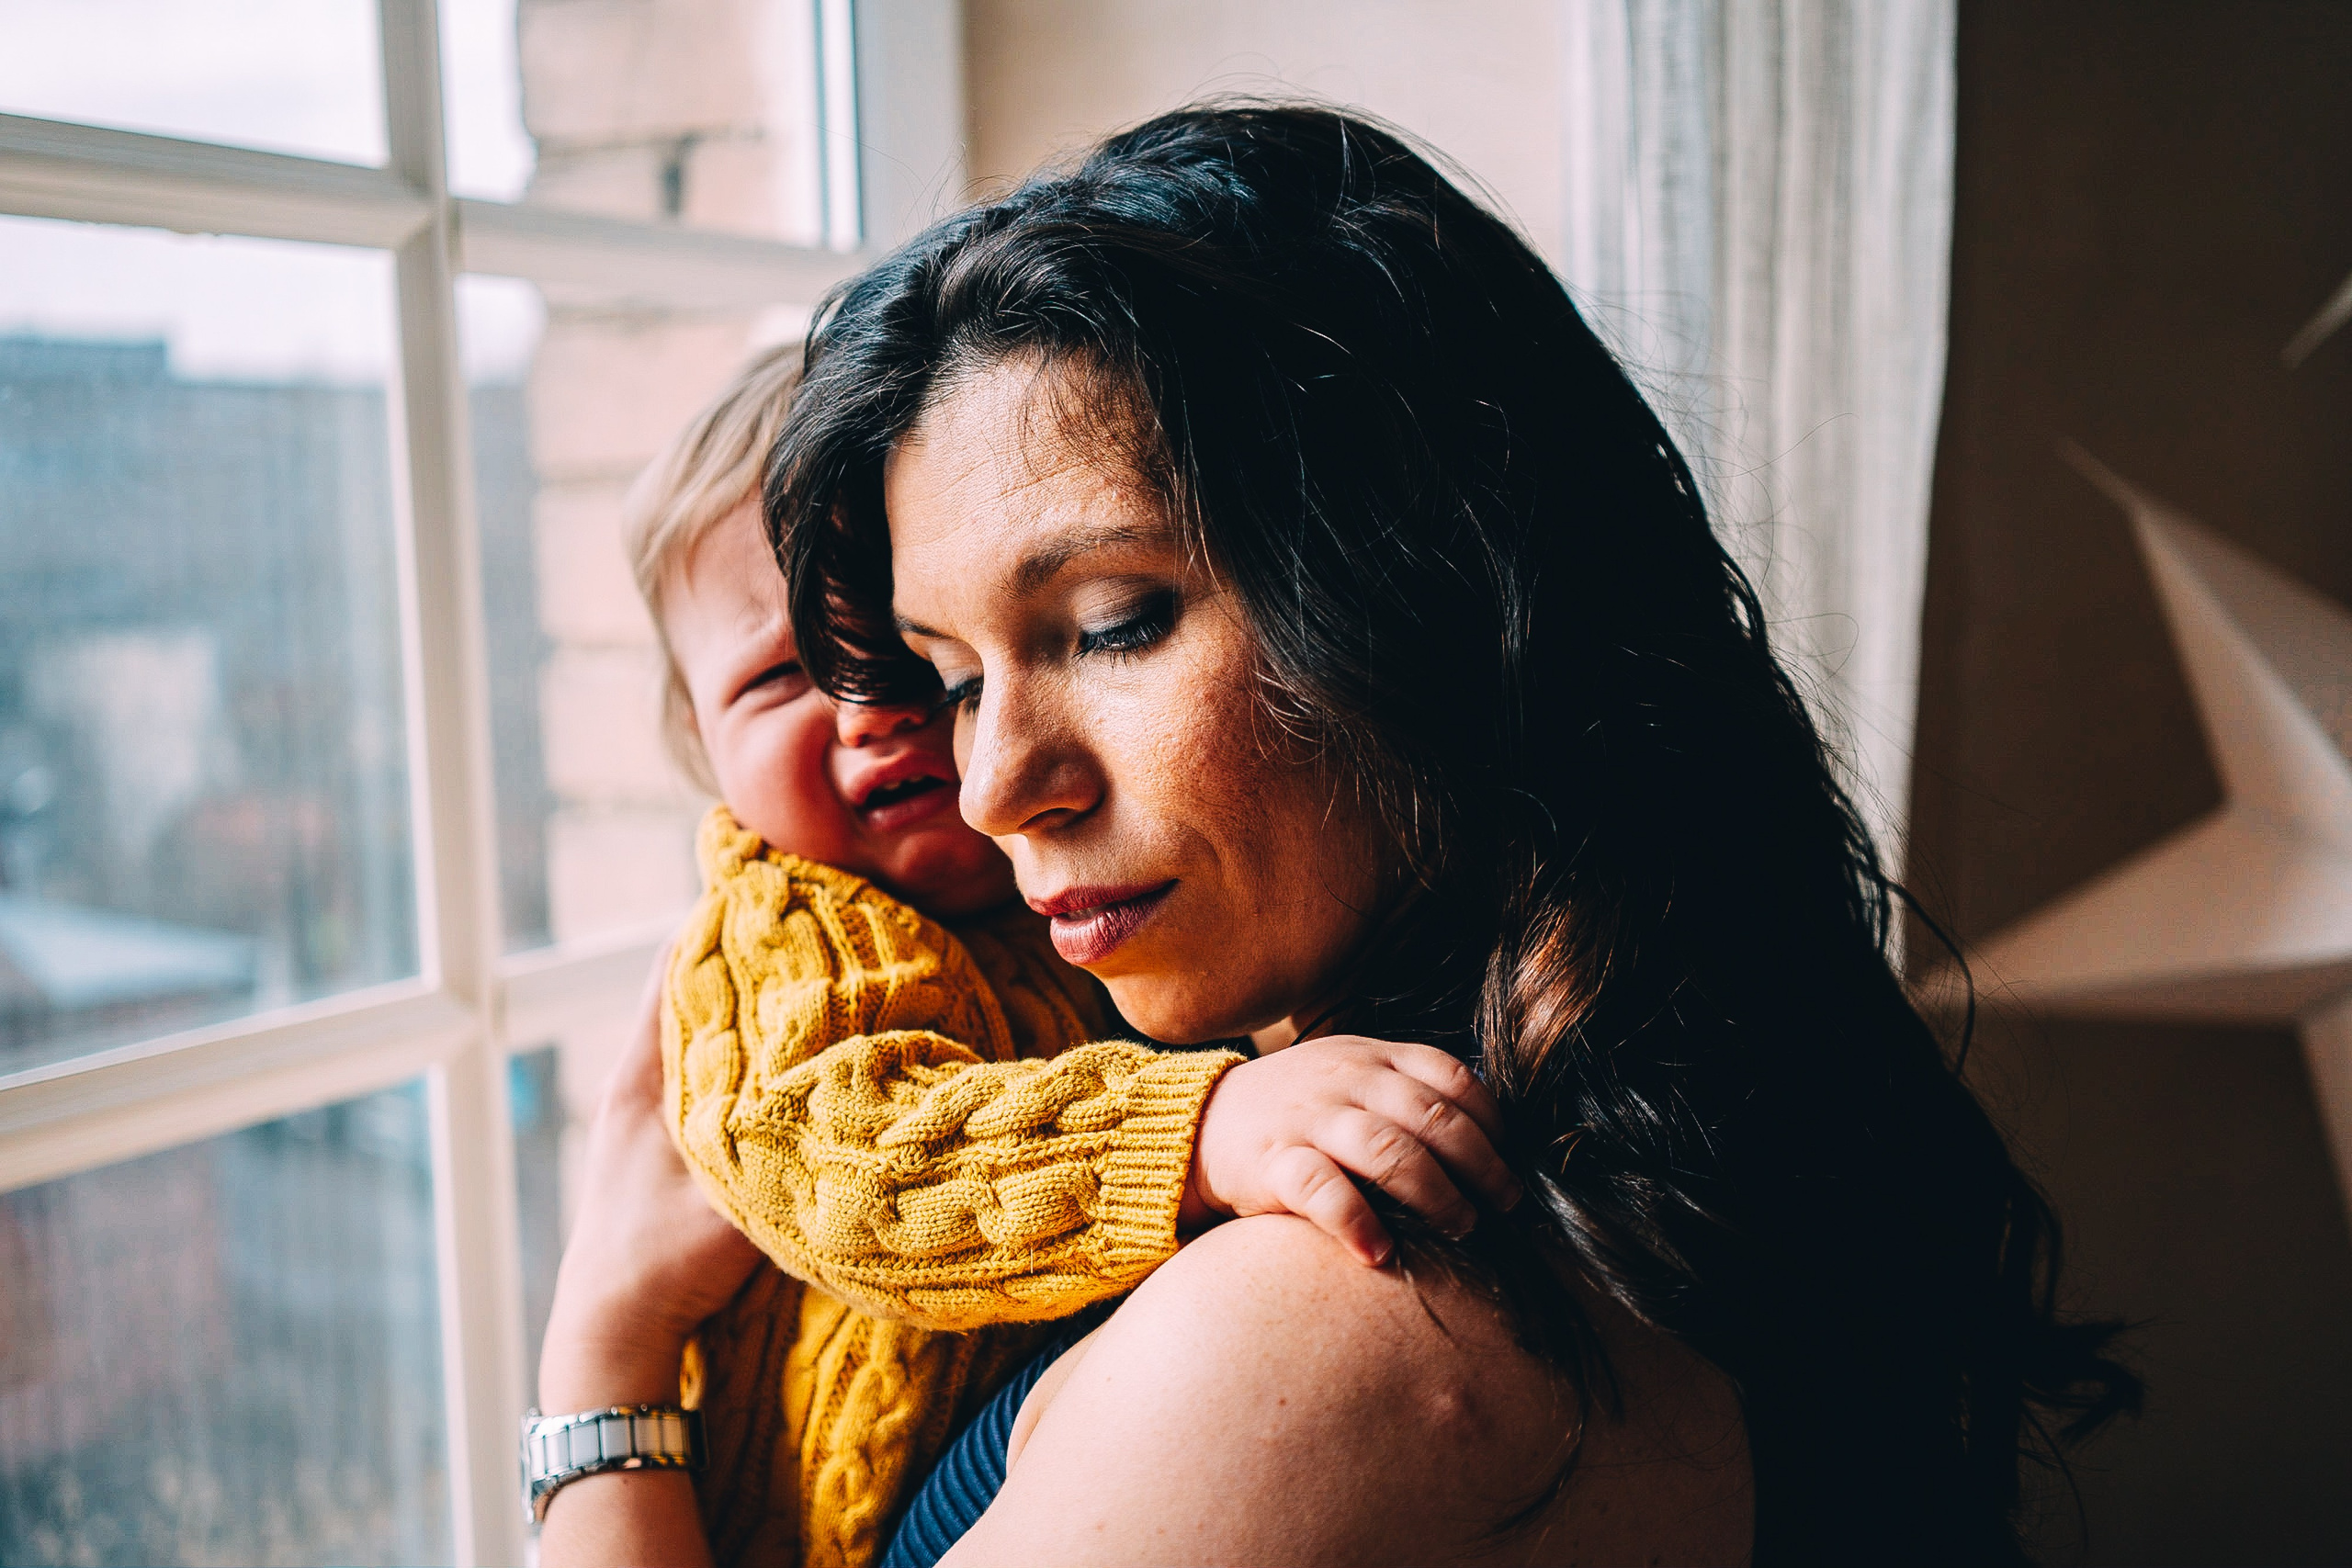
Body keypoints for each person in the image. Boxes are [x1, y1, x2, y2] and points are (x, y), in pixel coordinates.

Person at [549, 103, 2139, 1565]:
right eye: (955, 680)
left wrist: (603, 1364)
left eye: (1111, 624)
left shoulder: (1346, 1323)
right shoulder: (1661, 1149)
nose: (991, 783)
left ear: (1426, 597)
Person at [531, 344, 1515, 1565]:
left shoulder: (1040, 870)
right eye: (785, 675)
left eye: (905, 658)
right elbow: (867, 1171)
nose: (866, 711)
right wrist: (1204, 1130)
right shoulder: (780, 936)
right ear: (697, 736)